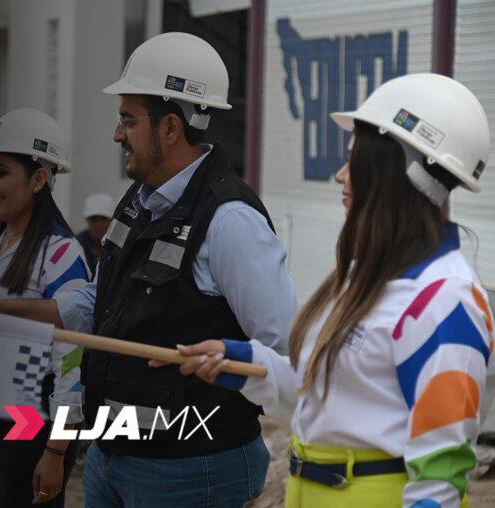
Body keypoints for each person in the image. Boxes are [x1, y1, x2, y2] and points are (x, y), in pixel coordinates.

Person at [0, 32, 298, 507]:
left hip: (191, 468)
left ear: (171, 128)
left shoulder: (229, 220)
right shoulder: (135, 203)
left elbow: (279, 351)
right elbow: (96, 302)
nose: (117, 135)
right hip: (111, 458)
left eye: (127, 120)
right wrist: (3, 310)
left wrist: (222, 363)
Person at [166, 73, 495, 507]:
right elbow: (323, 395)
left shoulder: (445, 299)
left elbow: (441, 468)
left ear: (396, 172)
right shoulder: (365, 273)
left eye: (353, 161)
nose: (340, 176)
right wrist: (238, 359)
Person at [0, 108, 90, 508]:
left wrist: (56, 451)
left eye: (1, 172)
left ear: (37, 179)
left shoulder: (63, 254)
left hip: (26, 419)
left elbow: (73, 359)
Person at [76, 193, 114, 277]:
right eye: (93, 219)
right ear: (87, 220)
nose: (98, 225)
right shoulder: (77, 244)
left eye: (103, 219)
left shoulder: (119, 245)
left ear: (111, 221)